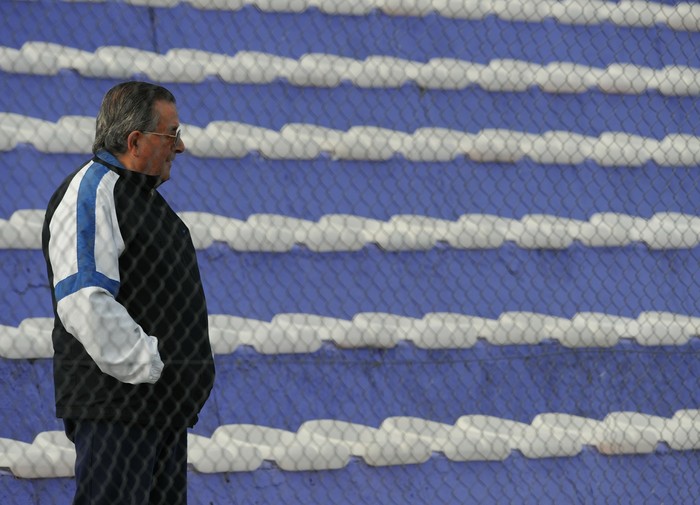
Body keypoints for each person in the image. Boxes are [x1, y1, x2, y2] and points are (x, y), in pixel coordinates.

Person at [41, 81, 215, 505]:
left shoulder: (148, 204)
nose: (181, 146)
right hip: (118, 412)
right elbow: (84, 300)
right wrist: (160, 368)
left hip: (160, 413)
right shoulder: (93, 190)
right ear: (135, 141)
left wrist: (177, 387)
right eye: (171, 134)